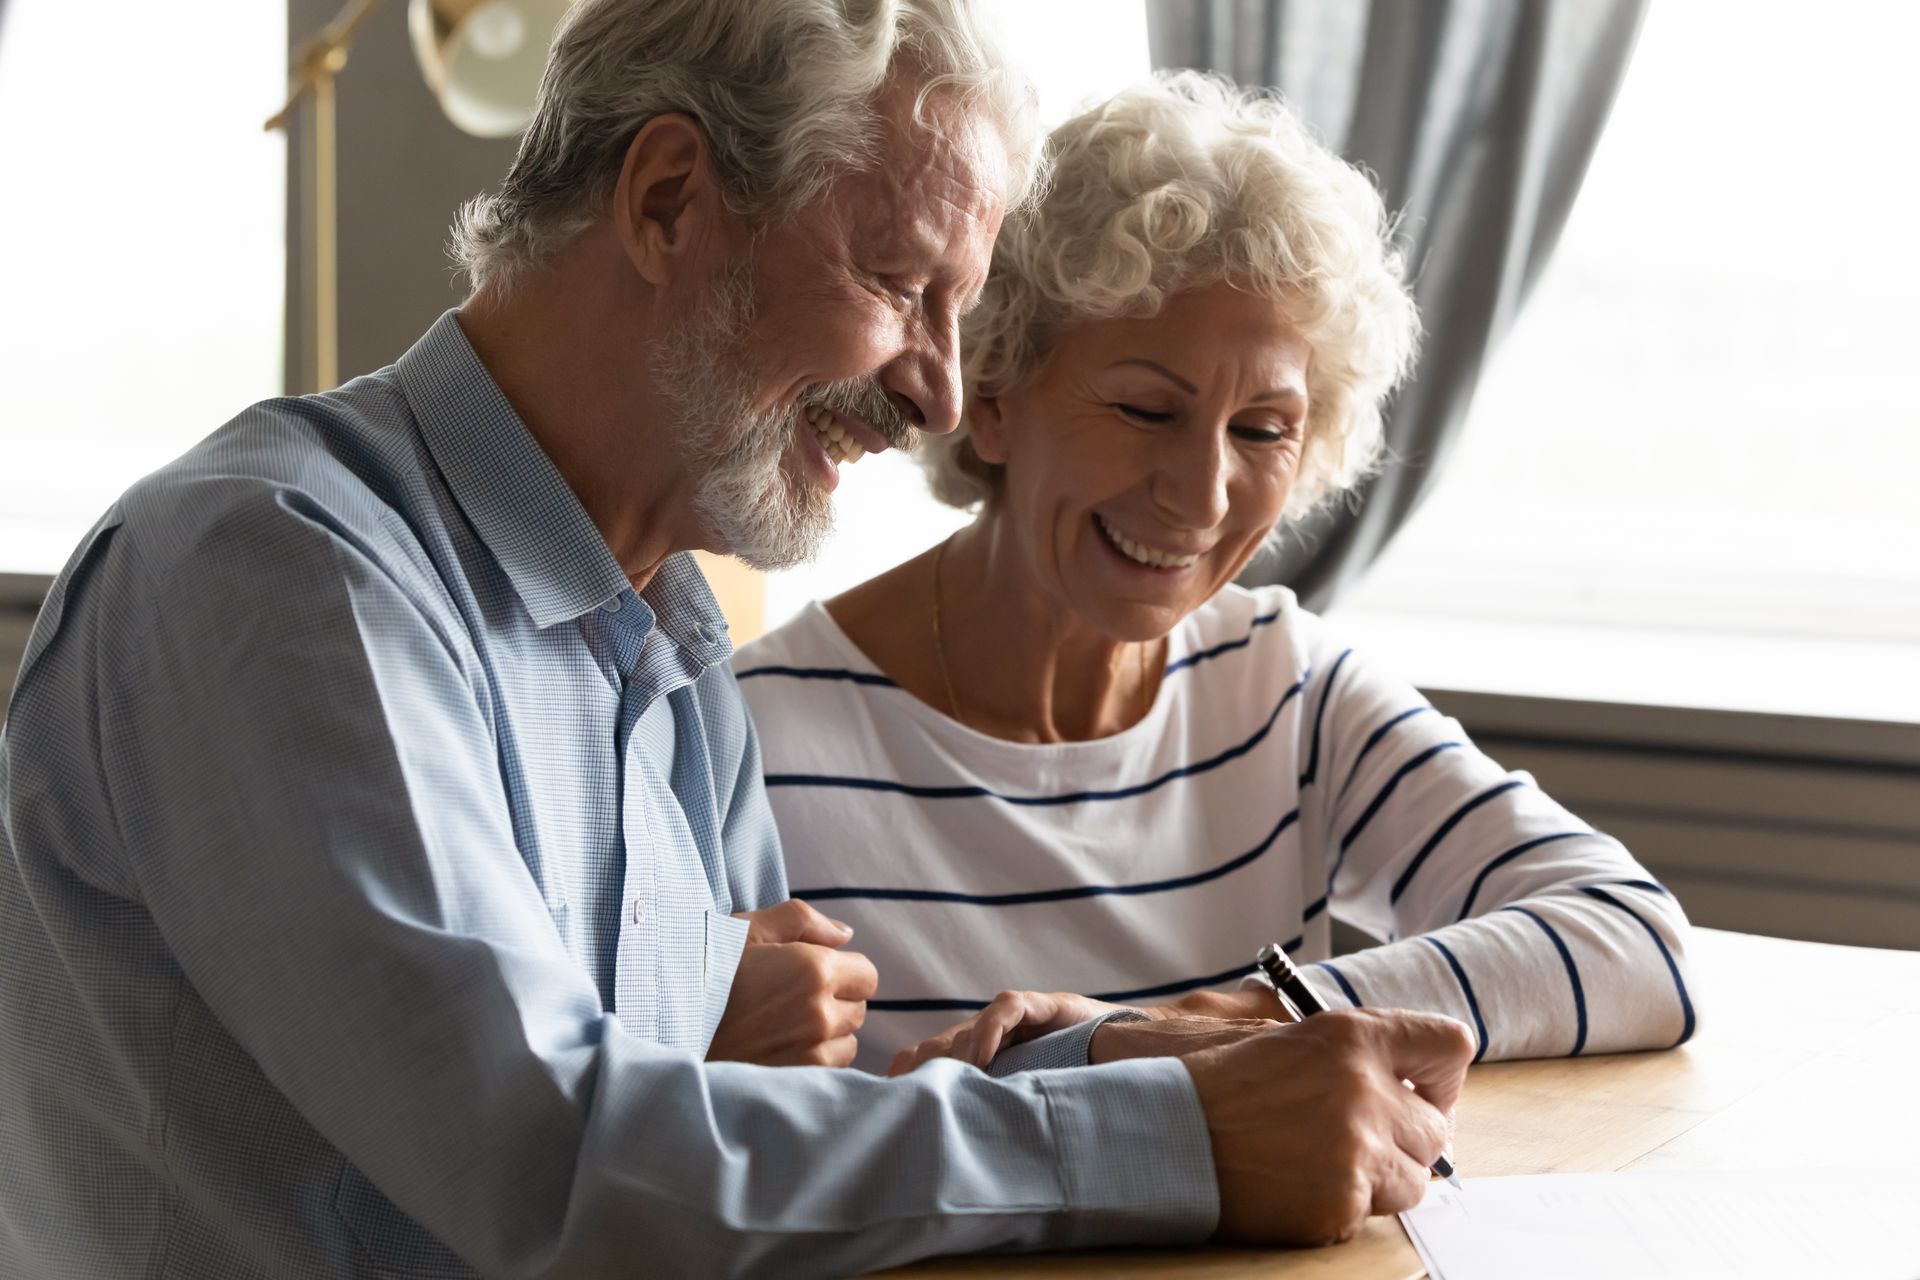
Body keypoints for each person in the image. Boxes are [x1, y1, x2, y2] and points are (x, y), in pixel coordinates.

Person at [0, 5, 1477, 1278]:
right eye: (903, 289)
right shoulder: (275, 575)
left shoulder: (666, 627)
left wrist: (1107, 1059)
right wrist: (1164, 1136)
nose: (945, 400)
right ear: (665, 201)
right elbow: (555, 1164)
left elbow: (733, 1121)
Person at [736, 72, 1700, 1079]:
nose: (1201, 496)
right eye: (1148, 411)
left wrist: (1234, 1016)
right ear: (991, 395)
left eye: (1262, 430)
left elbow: (1636, 941)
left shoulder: (1286, 687)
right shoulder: (758, 739)